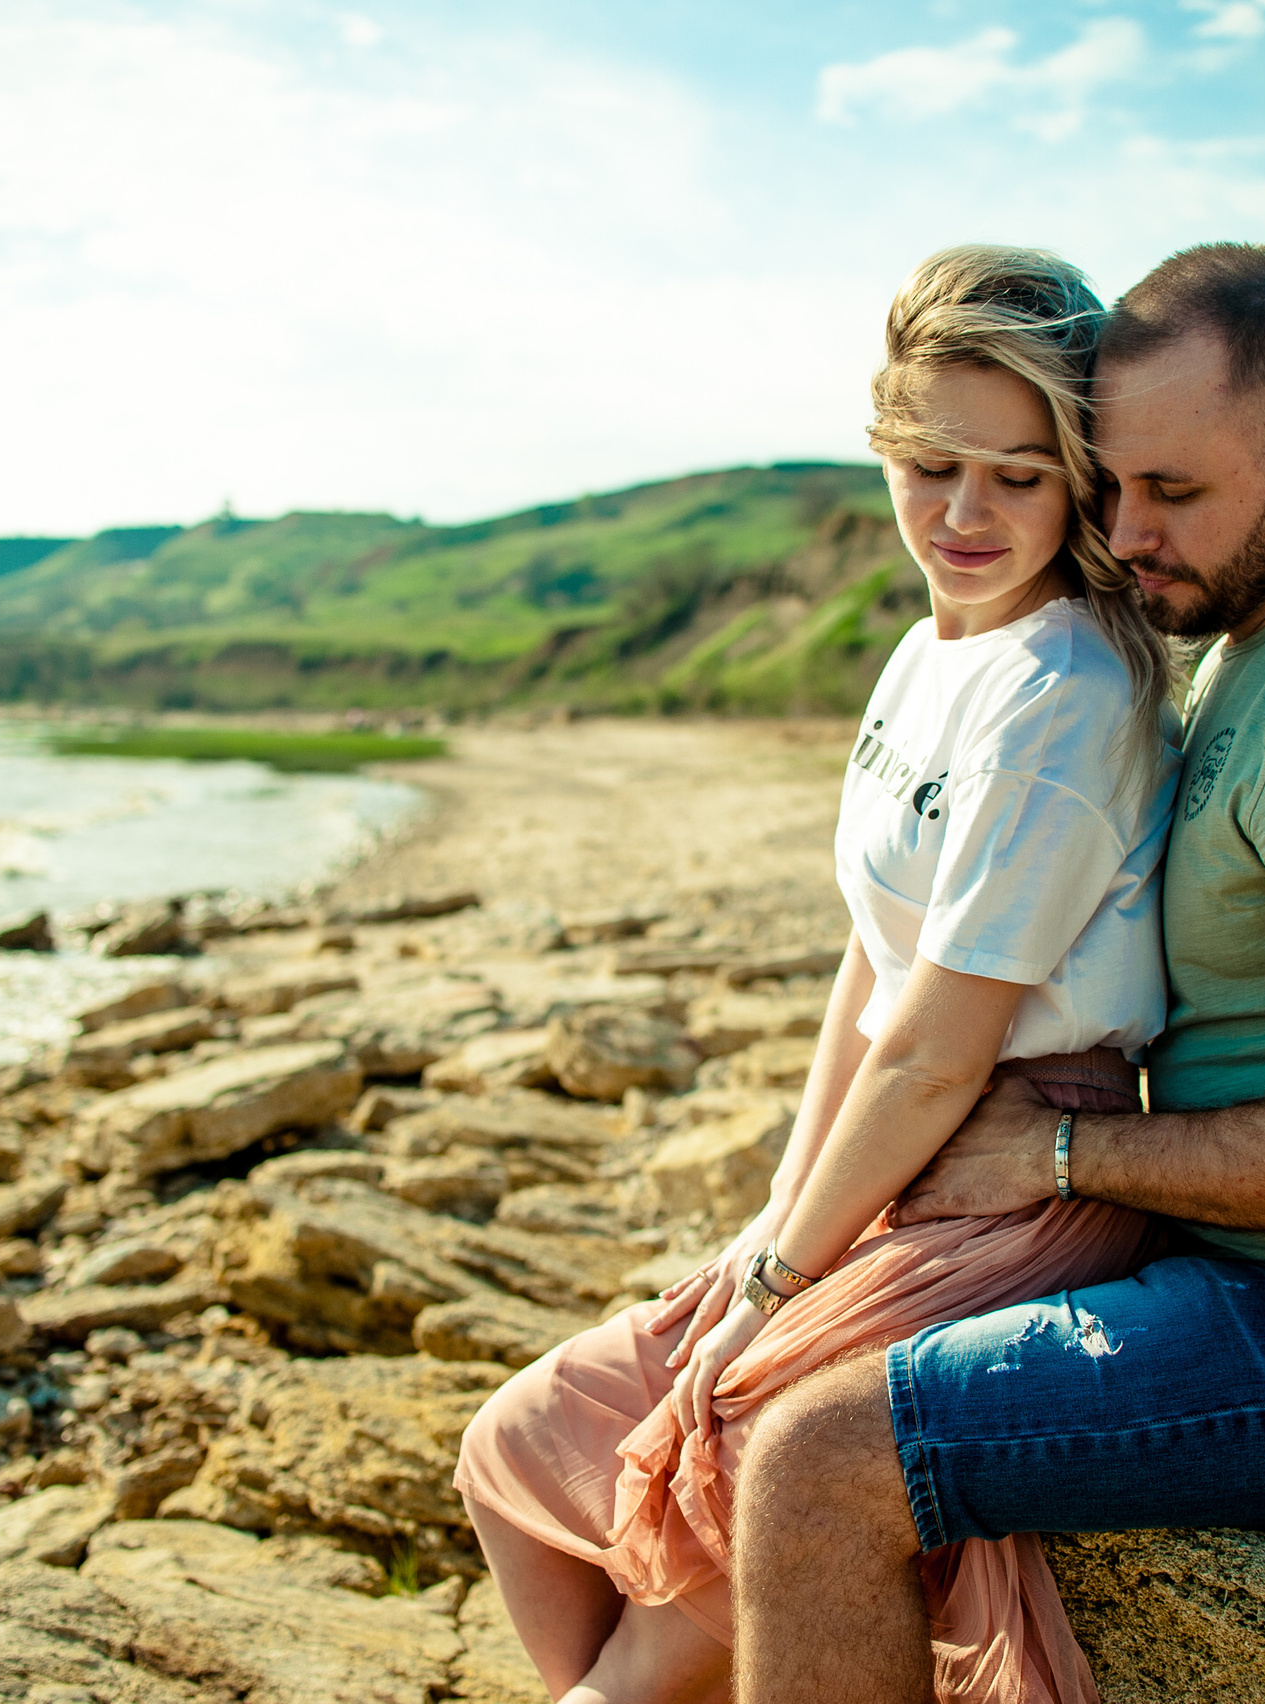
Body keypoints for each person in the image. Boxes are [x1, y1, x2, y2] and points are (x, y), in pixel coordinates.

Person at [722, 243, 1265, 1704]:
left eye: (1176, 494)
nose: (1126, 534)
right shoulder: (1258, 636)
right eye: (1115, 483)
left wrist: (1069, 1153)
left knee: (817, 1460)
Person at [454, 245, 1184, 1704]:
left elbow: (933, 1051)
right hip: (889, 1157)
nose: (965, 515)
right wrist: (777, 1228)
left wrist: (782, 1281)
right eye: (930, 463)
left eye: (1019, 476)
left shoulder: (1067, 697)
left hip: (1006, 1177)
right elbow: (873, 962)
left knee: (713, 1482)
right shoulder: (927, 654)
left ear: (1080, 481)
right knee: (512, 1452)